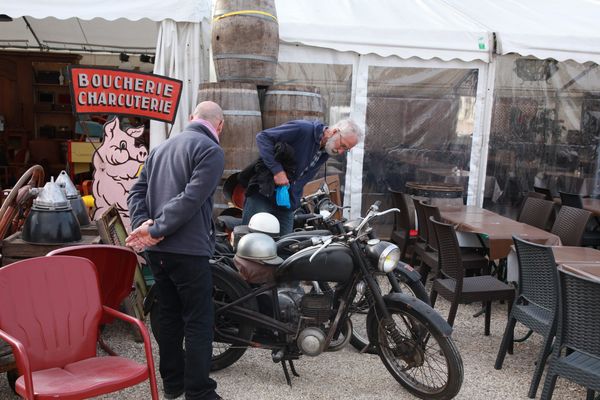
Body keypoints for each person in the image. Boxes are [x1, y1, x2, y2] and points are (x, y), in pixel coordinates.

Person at [126, 101, 225, 400]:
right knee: (198, 320)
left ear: (193, 118)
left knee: (168, 315)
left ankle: (173, 384)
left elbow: (136, 192)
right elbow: (191, 199)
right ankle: (199, 392)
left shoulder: (160, 148)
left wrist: (144, 224)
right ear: (219, 126)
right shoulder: (211, 151)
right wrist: (155, 229)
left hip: (158, 253)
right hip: (188, 249)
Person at [241, 119, 363, 235]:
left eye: (346, 150)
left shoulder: (326, 150)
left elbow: (301, 177)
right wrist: (277, 171)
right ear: (335, 132)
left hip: (286, 202)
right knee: (251, 241)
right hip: (263, 192)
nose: (341, 151)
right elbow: (263, 137)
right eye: (342, 145)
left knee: (285, 246)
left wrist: (294, 201)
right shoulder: (303, 129)